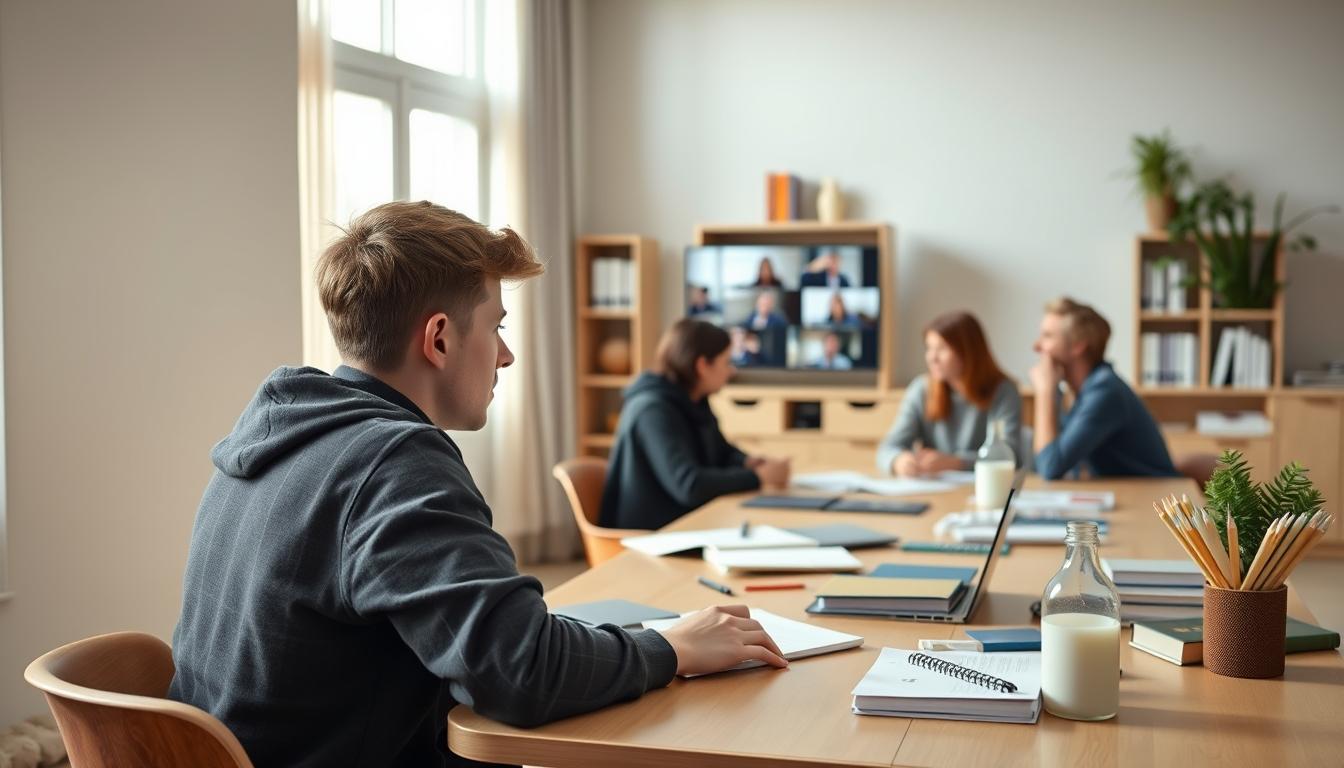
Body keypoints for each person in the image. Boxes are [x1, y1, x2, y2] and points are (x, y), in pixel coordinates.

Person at [168, 202, 788, 768]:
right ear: (439, 338)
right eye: (496, 327)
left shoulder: (274, 437)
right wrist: (669, 649)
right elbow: (522, 673)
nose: (506, 356)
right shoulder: (394, 459)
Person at [601, 319, 791, 530]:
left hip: (688, 522)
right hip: (654, 536)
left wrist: (747, 462)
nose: (732, 371)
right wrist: (757, 477)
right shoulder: (652, 411)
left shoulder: (694, 401)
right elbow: (689, 485)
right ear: (702, 365)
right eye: (726, 362)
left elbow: (721, 452)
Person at [1031, 297, 1176, 479]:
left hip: (1155, 500)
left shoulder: (1105, 391)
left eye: (1047, 336)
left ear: (1078, 345)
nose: (1036, 346)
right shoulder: (1082, 391)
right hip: (1132, 494)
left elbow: (1049, 466)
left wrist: (1044, 391)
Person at [878, 311, 1021, 477]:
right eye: (929, 348)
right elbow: (887, 448)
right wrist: (898, 460)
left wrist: (955, 463)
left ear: (968, 352)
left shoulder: (1003, 391)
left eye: (941, 349)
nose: (932, 358)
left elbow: (1008, 456)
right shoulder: (922, 389)